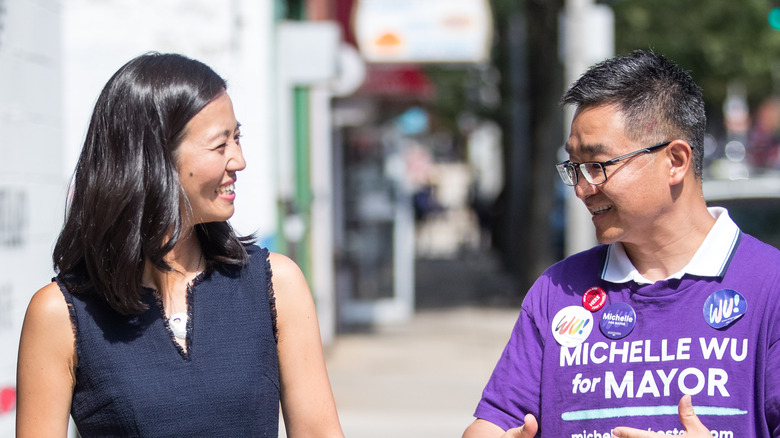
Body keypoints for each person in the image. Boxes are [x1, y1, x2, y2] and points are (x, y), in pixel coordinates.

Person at [16, 53, 344, 437]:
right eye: (220, 145)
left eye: (237, 137)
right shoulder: (60, 314)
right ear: (154, 158)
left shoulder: (275, 284)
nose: (239, 160)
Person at [463, 50, 780, 437]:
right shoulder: (557, 290)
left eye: (598, 165)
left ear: (676, 161)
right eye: (574, 168)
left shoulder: (770, 287)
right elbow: (493, 422)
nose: (582, 188)